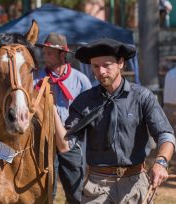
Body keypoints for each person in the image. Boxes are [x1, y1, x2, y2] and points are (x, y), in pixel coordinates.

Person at [53, 38, 175, 203]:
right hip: (97, 185)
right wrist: (51, 108)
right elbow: (65, 145)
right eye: (95, 66)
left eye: (106, 65)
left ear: (121, 63)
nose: (101, 72)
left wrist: (161, 161)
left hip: (136, 184)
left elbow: (165, 135)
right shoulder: (83, 101)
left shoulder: (142, 97)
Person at [34, 33, 92, 203]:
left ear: (62, 55)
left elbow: (89, 112)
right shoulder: (36, 78)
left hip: (72, 143)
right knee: (46, 194)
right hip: (43, 143)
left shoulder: (80, 80)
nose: (45, 57)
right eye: (44, 53)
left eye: (49, 53)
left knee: (76, 193)